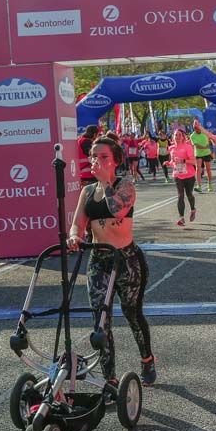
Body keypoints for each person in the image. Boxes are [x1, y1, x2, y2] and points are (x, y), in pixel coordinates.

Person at [68, 136, 156, 387]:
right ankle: (110, 377)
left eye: (104, 157)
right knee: (101, 319)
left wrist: (106, 182)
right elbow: (78, 223)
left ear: (116, 160)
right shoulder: (87, 190)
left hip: (126, 259)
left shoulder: (125, 185)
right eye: (94, 156)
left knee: (132, 313)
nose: (97, 161)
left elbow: (118, 210)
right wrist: (75, 235)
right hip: (99, 260)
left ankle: (147, 359)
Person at [166, 130, 198, 227]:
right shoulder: (171, 148)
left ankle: (193, 209)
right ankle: (181, 218)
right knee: (180, 195)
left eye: (180, 135)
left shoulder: (187, 147)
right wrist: (169, 163)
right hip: (177, 174)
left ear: (183, 137)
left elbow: (194, 162)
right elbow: (173, 161)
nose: (177, 137)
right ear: (173, 136)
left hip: (189, 175)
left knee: (189, 194)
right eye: (176, 135)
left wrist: (183, 160)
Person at [189, 124, 214, 192]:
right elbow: (196, 145)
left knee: (208, 169)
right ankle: (199, 186)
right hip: (198, 154)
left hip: (207, 153)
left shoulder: (204, 132)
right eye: (196, 129)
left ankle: (210, 184)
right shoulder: (192, 136)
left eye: (199, 128)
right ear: (194, 129)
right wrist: (205, 147)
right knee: (198, 169)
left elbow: (210, 138)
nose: (198, 130)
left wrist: (210, 144)